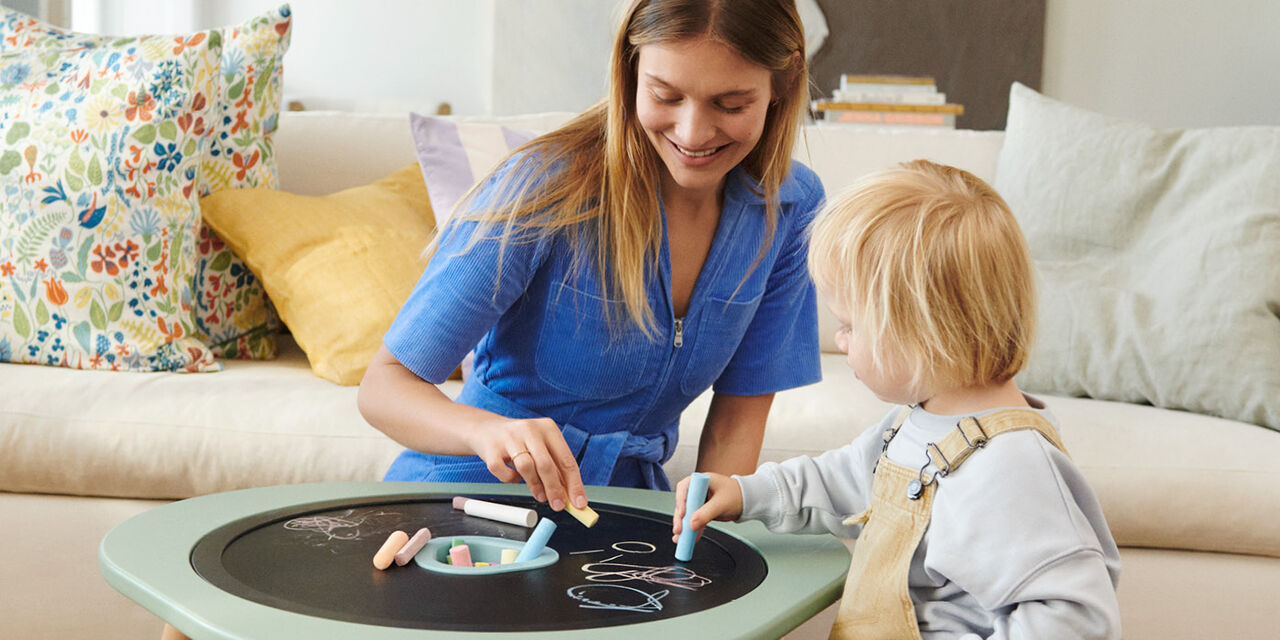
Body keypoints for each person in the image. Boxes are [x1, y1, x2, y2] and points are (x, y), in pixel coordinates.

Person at [357, 0, 823, 513]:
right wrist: (487, 431)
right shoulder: (543, 186)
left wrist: (703, 542)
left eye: (731, 105)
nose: (692, 133)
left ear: (785, 79)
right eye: (665, 95)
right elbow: (384, 386)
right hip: (466, 501)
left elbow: (737, 422)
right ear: (630, 69)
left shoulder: (790, 210)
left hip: (624, 518)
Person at [672, 160, 1122, 639]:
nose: (840, 341)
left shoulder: (1011, 466)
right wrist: (747, 494)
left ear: (923, 332)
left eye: (849, 326)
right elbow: (843, 479)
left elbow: (1077, 619)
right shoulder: (920, 421)